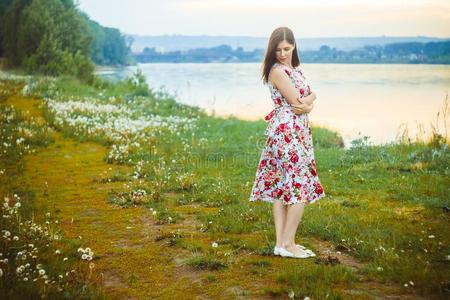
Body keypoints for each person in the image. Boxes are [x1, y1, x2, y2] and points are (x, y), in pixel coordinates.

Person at [249, 27, 326, 259]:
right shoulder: (278, 71)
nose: (282, 53)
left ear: (294, 47)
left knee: (284, 186)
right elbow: (296, 101)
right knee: (298, 185)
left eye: (287, 48)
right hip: (287, 131)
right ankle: (289, 244)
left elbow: (310, 95)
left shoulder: (294, 70)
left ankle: (281, 245)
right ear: (272, 50)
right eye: (278, 49)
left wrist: (310, 103)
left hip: (296, 130)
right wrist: (308, 102)